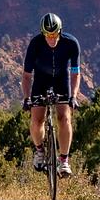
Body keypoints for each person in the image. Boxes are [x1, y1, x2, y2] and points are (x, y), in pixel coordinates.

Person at [21, 13, 81, 178]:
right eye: (48, 35)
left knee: (64, 118)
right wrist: (27, 98)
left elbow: (75, 73)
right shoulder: (35, 44)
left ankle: (64, 161)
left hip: (62, 80)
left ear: (60, 31)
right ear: (43, 33)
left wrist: (73, 96)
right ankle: (39, 150)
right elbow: (26, 76)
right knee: (37, 120)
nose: (51, 38)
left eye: (54, 34)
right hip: (41, 81)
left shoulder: (71, 43)